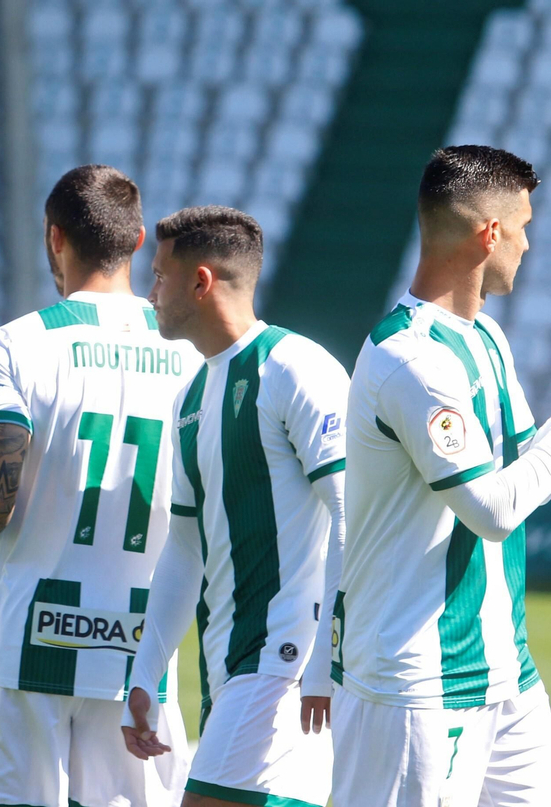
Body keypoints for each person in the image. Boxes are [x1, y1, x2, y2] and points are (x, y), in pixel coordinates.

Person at [0, 164, 199, 807]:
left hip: (26, 640)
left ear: (55, 238)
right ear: (139, 241)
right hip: (141, 646)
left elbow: (1, 467)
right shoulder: (191, 355)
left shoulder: (18, 345)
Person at [334, 145, 550, 806]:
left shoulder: (485, 337)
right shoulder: (410, 360)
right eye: (524, 229)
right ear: (490, 235)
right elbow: (492, 508)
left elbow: (524, 462)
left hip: (502, 670)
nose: (528, 245)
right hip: (418, 685)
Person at [120, 206, 346, 807]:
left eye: (159, 275)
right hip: (228, 669)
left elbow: (354, 517)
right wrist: (144, 671)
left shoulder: (297, 369)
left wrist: (325, 660)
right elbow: (185, 546)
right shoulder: (191, 395)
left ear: (200, 281)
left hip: (284, 666)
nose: (150, 294)